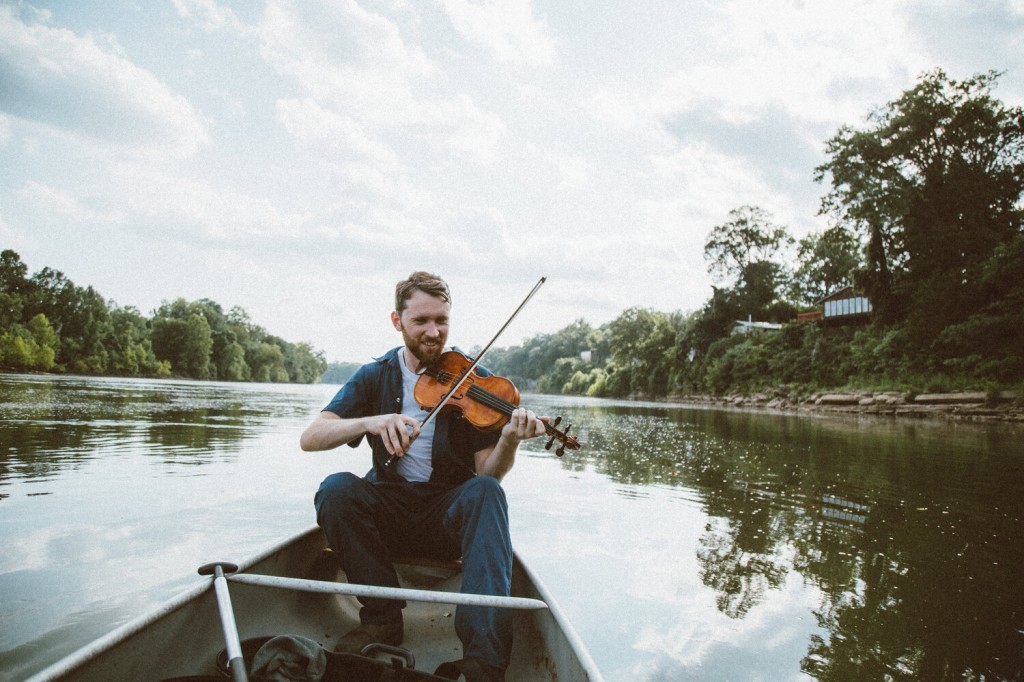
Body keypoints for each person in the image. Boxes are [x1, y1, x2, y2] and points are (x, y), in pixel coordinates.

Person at [300, 271, 547, 681]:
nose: (434, 332)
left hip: (444, 515)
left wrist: (509, 440)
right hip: (389, 510)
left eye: (442, 321)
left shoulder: (474, 381)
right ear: (398, 322)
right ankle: (381, 619)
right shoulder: (376, 374)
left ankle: (483, 658)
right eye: (421, 322)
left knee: (486, 491)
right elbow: (312, 437)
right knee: (336, 489)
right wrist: (370, 422)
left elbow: (489, 472)